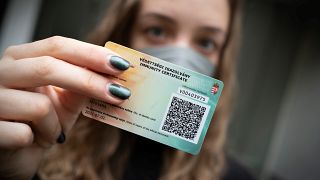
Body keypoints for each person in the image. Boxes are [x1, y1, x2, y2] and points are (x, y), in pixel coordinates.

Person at [0, 0, 253, 179]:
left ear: (222, 60)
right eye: (157, 30)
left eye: (206, 42)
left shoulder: (234, 177)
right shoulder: (47, 140)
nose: (180, 60)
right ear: (124, 35)